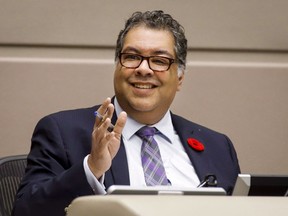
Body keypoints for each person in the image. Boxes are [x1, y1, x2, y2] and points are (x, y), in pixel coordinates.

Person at [12, 10, 240, 216]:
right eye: (131, 57)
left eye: (159, 61)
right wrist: (92, 169)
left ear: (179, 78)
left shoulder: (217, 146)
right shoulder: (63, 131)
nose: (143, 69)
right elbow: (26, 211)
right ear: (117, 67)